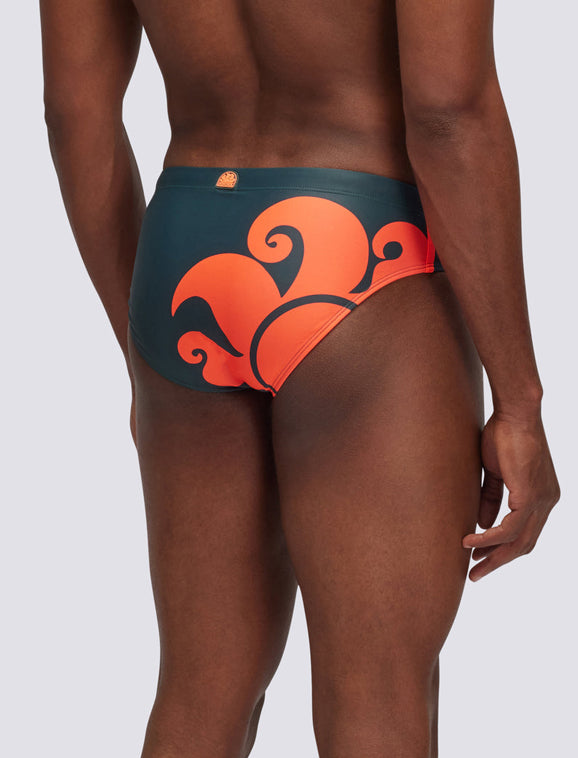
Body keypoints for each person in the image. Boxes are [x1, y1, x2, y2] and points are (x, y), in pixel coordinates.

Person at [39, 0, 561, 756]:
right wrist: (520, 402)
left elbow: (74, 114)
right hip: (360, 250)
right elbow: (449, 111)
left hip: (183, 254)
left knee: (199, 692)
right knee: (377, 702)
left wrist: (146, 351)